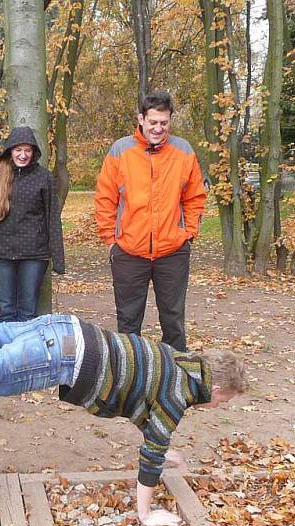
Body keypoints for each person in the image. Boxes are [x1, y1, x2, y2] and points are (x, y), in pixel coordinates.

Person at [0, 295, 245, 525]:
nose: (216, 407)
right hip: (62, 355)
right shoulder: (180, 393)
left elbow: (140, 407)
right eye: (222, 401)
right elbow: (150, 454)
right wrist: (146, 513)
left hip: (61, 327)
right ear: (215, 389)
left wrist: (167, 448)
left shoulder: (178, 362)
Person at [95, 91, 206, 351]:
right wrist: (111, 240)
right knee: (128, 321)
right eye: (153, 122)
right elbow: (104, 198)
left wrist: (188, 232)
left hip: (173, 251)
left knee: (174, 320)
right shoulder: (121, 150)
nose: (158, 128)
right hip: (129, 251)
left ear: (170, 121)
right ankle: (130, 378)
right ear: (141, 119)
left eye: (164, 123)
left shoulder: (183, 151)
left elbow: (195, 196)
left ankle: (178, 378)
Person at [0, 126, 65, 322]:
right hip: (2, 254)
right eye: (18, 150)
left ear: (33, 152)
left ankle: (26, 352)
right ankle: (7, 351)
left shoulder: (44, 178)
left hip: (34, 254)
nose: (23, 155)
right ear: (10, 150)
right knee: (6, 310)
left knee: (27, 311)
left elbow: (53, 219)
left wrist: (58, 260)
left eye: (27, 150)